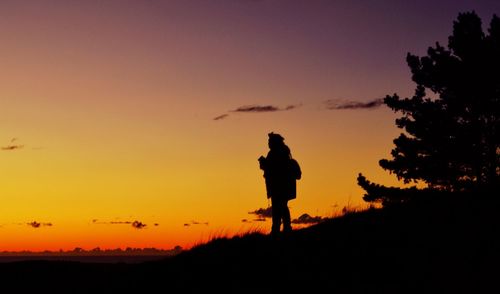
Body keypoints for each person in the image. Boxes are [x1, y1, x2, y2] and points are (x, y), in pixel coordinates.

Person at [258, 132, 301, 236]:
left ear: (274, 142)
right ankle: (285, 228)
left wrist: (263, 163)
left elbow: (273, 168)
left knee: (278, 208)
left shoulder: (274, 153)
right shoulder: (284, 151)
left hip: (278, 185)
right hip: (284, 185)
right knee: (282, 207)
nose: (268, 143)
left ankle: (277, 229)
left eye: (269, 141)